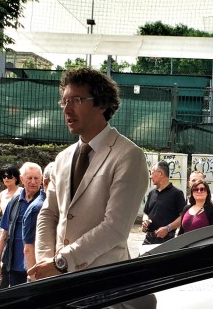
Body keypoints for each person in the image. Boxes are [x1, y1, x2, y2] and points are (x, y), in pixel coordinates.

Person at [31, 68, 147, 278]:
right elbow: (48, 214)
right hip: (59, 282)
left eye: (76, 100)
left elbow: (115, 227)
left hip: (102, 283)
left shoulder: (129, 156)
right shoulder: (63, 158)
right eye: (64, 102)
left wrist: (62, 262)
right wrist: (45, 263)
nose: (67, 110)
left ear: (102, 104)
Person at [0, 161, 43, 288]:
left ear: (41, 180)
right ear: (21, 179)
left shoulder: (46, 203)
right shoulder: (14, 202)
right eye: (29, 178)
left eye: (36, 178)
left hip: (36, 266)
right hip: (13, 266)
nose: (33, 182)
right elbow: (4, 234)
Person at [141, 160, 186, 245]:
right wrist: (145, 221)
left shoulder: (177, 193)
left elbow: (183, 217)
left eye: (152, 173)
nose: (150, 177)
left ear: (161, 173)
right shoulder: (152, 193)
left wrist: (167, 228)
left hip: (166, 241)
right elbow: (146, 213)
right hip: (148, 239)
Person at [23, 163, 54, 271]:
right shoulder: (39, 207)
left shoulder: (49, 204)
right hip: (39, 273)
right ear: (46, 183)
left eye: (36, 178)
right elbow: (28, 248)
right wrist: (33, 279)